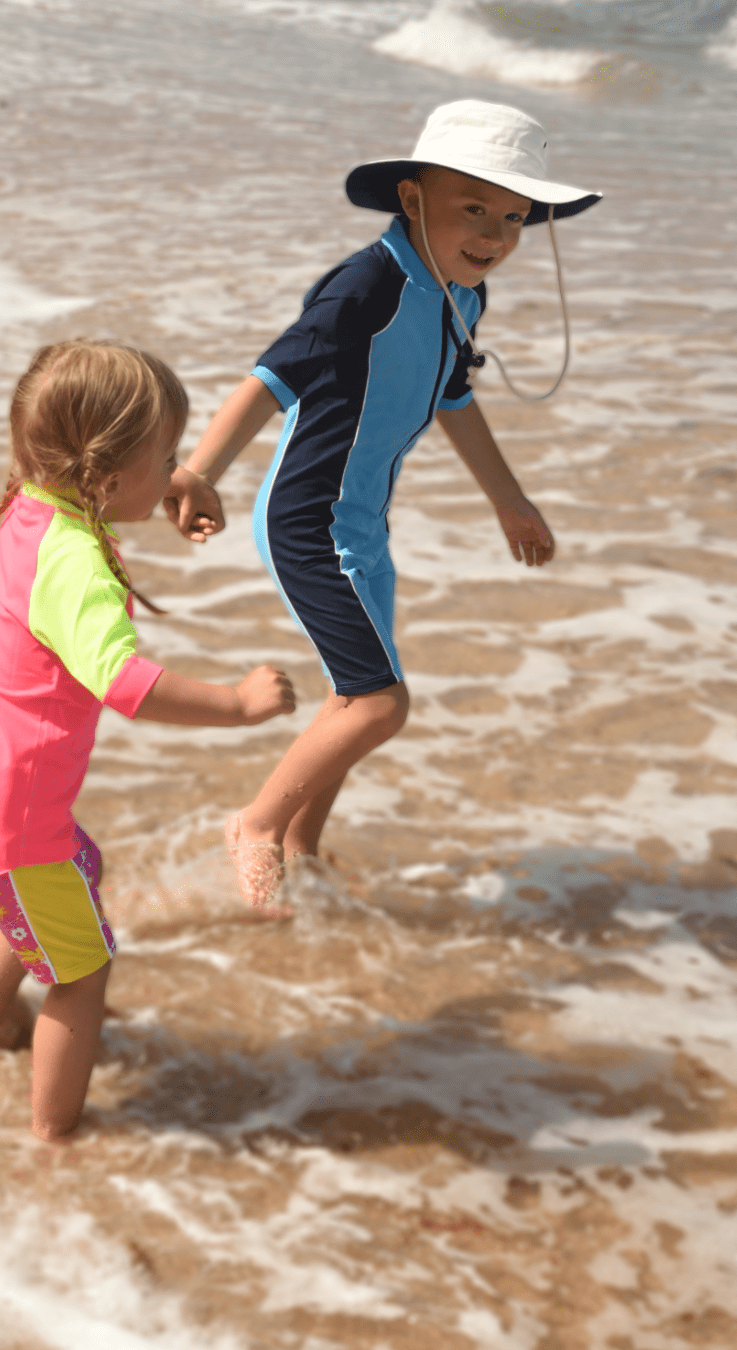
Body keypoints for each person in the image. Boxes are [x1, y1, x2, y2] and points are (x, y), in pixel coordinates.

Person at [163, 100, 601, 907]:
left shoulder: (462, 297)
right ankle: (258, 826)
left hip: (362, 525)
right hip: (307, 519)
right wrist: (200, 471)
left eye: (513, 217)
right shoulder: (369, 285)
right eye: (474, 208)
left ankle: (305, 849)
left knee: (353, 697)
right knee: (379, 703)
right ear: (411, 199)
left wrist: (511, 502)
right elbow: (270, 378)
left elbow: (453, 401)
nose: (496, 235)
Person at [0, 340, 295, 1142]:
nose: (176, 470)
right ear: (106, 478)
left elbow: (104, 495)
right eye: (166, 458)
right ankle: (54, 1136)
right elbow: (122, 683)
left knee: (82, 867)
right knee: (83, 974)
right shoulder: (76, 562)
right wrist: (235, 704)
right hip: (11, 810)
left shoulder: (33, 505)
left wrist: (166, 483)